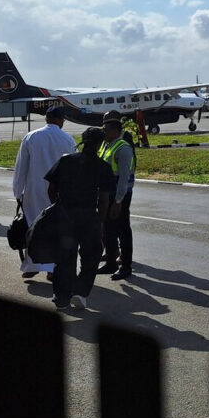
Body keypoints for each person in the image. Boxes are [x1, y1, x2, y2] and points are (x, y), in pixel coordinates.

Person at [44, 127, 113, 310]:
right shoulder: (103, 167)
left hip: (65, 215)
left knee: (65, 256)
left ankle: (61, 297)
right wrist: (100, 222)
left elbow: (51, 189)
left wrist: (58, 208)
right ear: (100, 145)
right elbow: (104, 200)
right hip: (89, 217)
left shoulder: (66, 160)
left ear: (82, 141)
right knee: (91, 256)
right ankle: (80, 292)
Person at [13, 106, 76, 278]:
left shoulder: (31, 137)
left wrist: (18, 193)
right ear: (61, 120)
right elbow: (72, 169)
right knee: (56, 230)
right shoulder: (68, 139)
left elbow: (21, 168)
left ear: (47, 118)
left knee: (32, 229)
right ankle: (53, 268)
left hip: (33, 191)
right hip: (58, 193)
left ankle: (32, 266)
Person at [97, 112, 136, 281]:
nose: (103, 133)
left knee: (122, 230)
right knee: (107, 230)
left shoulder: (123, 148)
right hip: (107, 195)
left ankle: (126, 266)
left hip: (120, 196)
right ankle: (111, 263)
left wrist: (118, 202)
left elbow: (124, 178)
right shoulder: (106, 145)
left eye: (105, 130)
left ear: (115, 130)